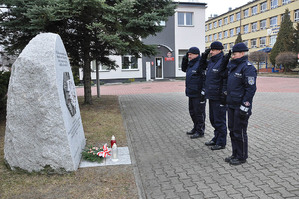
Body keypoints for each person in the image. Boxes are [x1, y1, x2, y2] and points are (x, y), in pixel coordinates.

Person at [224, 42, 257, 165]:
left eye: (235, 53)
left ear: (242, 53)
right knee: (232, 130)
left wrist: (245, 105)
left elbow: (251, 89)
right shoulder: (233, 66)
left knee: (240, 131)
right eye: (232, 54)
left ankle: (242, 156)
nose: (233, 56)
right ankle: (235, 153)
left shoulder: (247, 67)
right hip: (231, 103)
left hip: (241, 106)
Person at [202, 41, 231, 150]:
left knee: (219, 120)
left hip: (219, 97)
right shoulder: (211, 61)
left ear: (219, 50)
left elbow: (225, 80)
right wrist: (203, 57)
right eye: (210, 50)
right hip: (212, 95)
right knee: (213, 119)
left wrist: (224, 94)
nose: (211, 52)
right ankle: (216, 137)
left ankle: (221, 142)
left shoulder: (224, 62)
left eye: (213, 50)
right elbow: (202, 67)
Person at [181, 47, 206, 139]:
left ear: (196, 55)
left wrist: (204, 91)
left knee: (199, 113)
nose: (189, 56)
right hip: (191, 92)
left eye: (190, 54)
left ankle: (200, 131)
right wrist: (184, 59)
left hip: (198, 94)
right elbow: (184, 69)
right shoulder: (191, 64)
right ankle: (195, 128)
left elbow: (204, 78)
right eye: (188, 55)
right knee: (192, 112)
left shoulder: (201, 63)